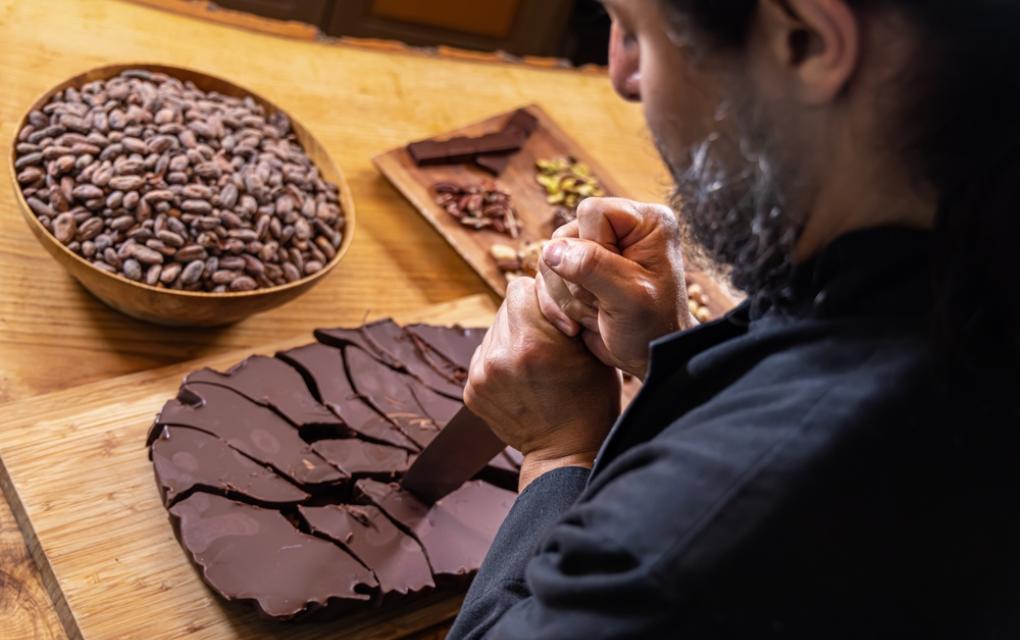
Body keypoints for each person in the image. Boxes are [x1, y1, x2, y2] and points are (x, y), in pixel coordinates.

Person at [447, 0, 1020, 638]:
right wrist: (677, 361)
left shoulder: (702, 531)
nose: (621, 75)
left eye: (636, 32)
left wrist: (560, 454)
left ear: (804, 41)